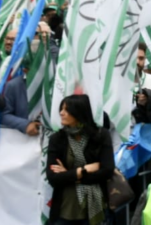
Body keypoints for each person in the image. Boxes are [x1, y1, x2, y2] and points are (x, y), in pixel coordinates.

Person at [46, 95, 114, 225]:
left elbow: (107, 171)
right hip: (64, 210)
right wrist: (82, 170)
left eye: (66, 110)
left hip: (94, 210)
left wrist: (68, 174)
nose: (61, 113)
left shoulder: (100, 136)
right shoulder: (57, 139)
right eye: (61, 109)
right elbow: (53, 178)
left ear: (79, 112)